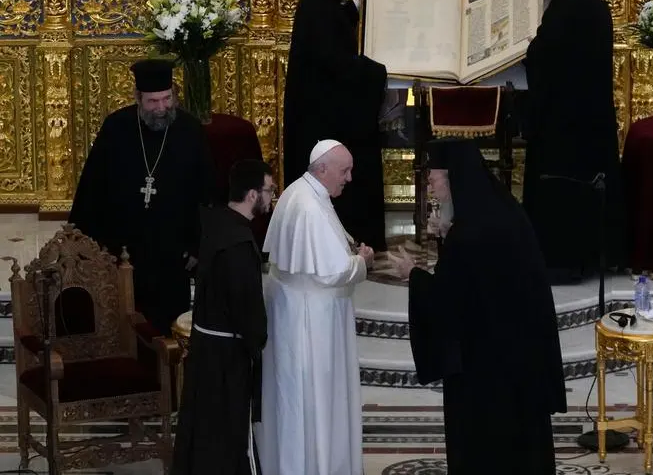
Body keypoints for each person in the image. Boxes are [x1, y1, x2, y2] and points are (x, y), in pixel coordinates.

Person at [388, 138, 566, 474]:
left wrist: (413, 275)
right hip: (519, 363)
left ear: (455, 178)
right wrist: (447, 237)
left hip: (485, 373)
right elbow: (476, 284)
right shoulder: (502, 210)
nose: (432, 187)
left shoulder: (469, 234)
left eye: (435, 179)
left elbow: (449, 302)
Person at [69, 58, 214, 335]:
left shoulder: (190, 130)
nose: (161, 108)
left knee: (168, 330)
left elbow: (206, 192)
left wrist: (198, 246)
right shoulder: (116, 128)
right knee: (125, 327)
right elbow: (92, 189)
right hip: (124, 254)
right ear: (138, 98)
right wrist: (88, 247)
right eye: (152, 102)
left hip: (173, 255)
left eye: (166, 99)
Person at [256, 139, 374, 475]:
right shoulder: (308, 204)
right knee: (315, 399)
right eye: (344, 170)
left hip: (300, 311)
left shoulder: (303, 192)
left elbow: (327, 247)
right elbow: (333, 271)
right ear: (322, 169)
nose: (349, 178)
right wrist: (361, 262)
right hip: (312, 320)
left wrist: (350, 249)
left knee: (299, 397)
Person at [522, 0, 625, 285]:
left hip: (565, 123)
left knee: (564, 192)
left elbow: (543, 58)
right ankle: (598, 255)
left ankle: (564, 261)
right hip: (588, 116)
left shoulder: (567, 7)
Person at [282, 0, 388, 251]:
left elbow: (340, 29)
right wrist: (377, 71)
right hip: (321, 114)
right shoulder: (314, 8)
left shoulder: (327, 2)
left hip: (333, 107)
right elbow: (334, 61)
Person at [172, 159, 274, 475]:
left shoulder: (217, 225)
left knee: (200, 429)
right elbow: (247, 309)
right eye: (269, 190)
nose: (272, 198)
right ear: (253, 195)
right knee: (225, 436)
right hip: (226, 360)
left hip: (205, 349)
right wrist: (259, 340)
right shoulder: (239, 244)